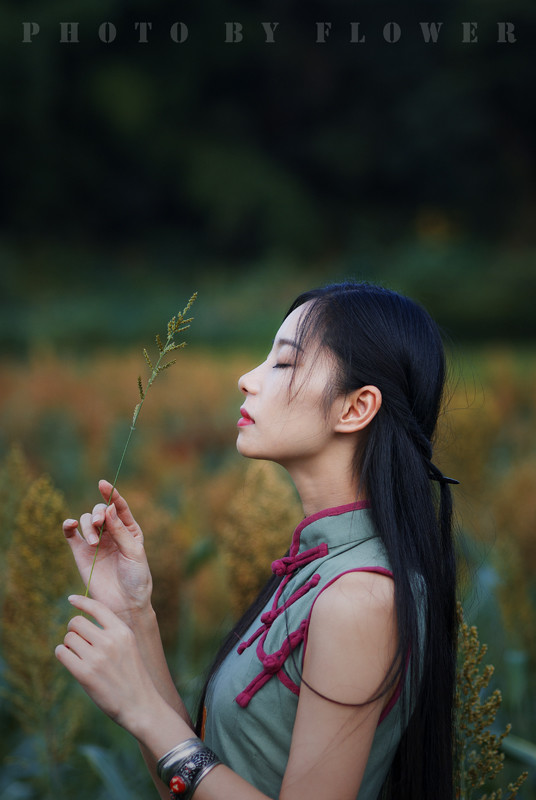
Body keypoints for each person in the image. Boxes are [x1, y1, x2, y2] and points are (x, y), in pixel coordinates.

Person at [56, 281, 457, 800]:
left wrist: (143, 709)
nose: (247, 379)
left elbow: (181, 757)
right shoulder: (315, 570)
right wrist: (135, 613)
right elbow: (190, 785)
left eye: (284, 363)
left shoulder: (360, 597)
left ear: (355, 408)